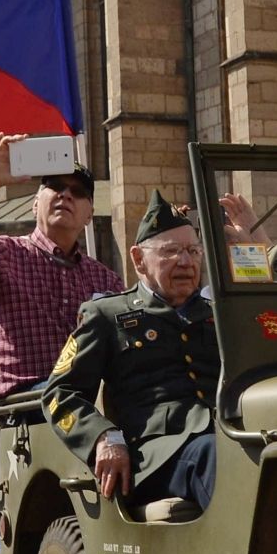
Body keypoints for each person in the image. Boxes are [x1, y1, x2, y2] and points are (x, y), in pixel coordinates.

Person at [43, 198, 220, 512]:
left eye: (193, 251)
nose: (186, 262)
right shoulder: (107, 315)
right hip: (155, 453)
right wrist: (103, 437)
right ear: (139, 260)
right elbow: (59, 394)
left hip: (226, 431)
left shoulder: (218, 314)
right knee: (213, 455)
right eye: (170, 251)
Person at [0, 133, 122, 397]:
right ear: (35, 205)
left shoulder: (105, 280)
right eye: (56, 186)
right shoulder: (5, 253)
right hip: (27, 403)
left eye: (78, 192)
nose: (66, 195)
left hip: (91, 398)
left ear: (90, 214)